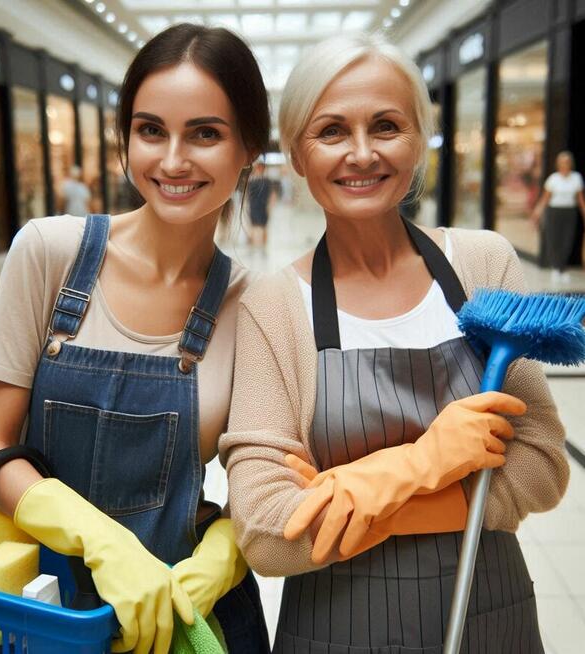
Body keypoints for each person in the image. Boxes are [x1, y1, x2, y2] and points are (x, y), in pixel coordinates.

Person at [220, 33, 568, 653]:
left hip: (491, 616)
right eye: (330, 131)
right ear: (297, 154)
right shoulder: (274, 305)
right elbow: (266, 532)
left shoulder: (481, 264)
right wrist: (423, 463)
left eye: (386, 126)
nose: (361, 153)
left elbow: (541, 468)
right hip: (335, 630)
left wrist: (344, 492)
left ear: (417, 141)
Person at [0, 24, 271, 654]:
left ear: (249, 151)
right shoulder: (51, 253)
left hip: (185, 615)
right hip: (45, 610)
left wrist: (217, 562)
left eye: (205, 133)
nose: (173, 160)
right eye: (151, 130)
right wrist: (100, 541)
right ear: (125, 140)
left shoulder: (255, 306)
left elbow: (264, 488)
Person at [532, 151, 585, 282]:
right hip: (554, 212)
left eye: (567, 162)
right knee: (554, 240)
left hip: (570, 212)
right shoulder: (553, 179)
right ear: (558, 164)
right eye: (562, 162)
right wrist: (537, 212)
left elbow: (580, 199)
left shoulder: (576, 178)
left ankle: (562, 268)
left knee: (567, 240)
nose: (564, 165)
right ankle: (556, 268)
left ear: (570, 164)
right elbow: (545, 198)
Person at [247, 160, 275, 251]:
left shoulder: (266, 181)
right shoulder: (253, 181)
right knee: (255, 227)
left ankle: (262, 247)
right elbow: (248, 196)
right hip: (255, 206)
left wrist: (270, 206)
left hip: (262, 206)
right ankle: (255, 247)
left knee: (261, 227)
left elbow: (271, 195)